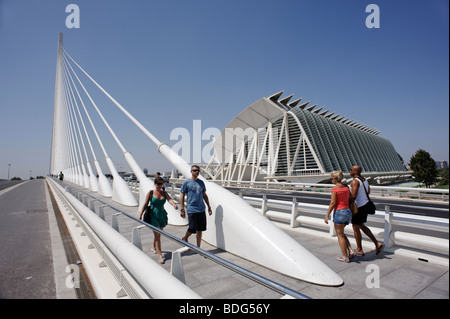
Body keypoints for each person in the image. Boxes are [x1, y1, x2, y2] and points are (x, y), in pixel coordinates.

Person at [139, 177, 178, 264]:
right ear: (155, 184)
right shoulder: (151, 193)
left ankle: (153, 246)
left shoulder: (164, 193)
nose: (160, 185)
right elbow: (145, 204)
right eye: (158, 184)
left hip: (161, 214)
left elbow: (169, 199)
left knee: (158, 234)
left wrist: (174, 205)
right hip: (153, 214)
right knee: (157, 235)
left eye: (161, 184)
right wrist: (141, 214)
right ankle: (160, 255)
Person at [350, 165, 383, 256]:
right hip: (365, 205)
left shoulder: (355, 181)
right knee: (360, 225)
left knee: (355, 227)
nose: (350, 171)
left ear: (356, 172)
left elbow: (353, 195)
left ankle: (360, 248)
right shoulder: (365, 180)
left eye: (351, 169)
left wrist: (346, 202)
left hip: (359, 207)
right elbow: (367, 192)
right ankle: (376, 244)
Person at [324, 171, 356, 263]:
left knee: (340, 235)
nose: (331, 180)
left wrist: (327, 215)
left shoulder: (335, 189)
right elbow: (350, 199)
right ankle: (350, 250)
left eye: (331, 178)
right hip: (347, 212)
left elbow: (333, 203)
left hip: (339, 212)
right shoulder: (346, 188)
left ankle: (345, 257)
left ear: (335, 179)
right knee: (341, 233)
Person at [180, 165, 212, 248]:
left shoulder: (201, 182)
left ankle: (198, 247)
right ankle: (185, 237)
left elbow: (204, 195)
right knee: (192, 228)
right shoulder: (187, 182)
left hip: (201, 209)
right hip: (191, 209)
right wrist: (182, 209)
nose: (197, 172)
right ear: (191, 172)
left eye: (198, 170)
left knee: (200, 229)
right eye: (195, 170)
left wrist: (209, 206)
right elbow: (182, 195)